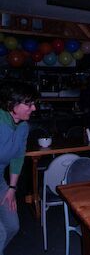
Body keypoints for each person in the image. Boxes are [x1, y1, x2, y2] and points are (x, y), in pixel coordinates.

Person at [0, 81, 38, 255]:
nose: (34, 108)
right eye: (29, 104)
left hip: (1, 181)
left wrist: (12, 188)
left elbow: (17, 158)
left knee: (12, 226)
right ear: (12, 104)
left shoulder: (23, 127)